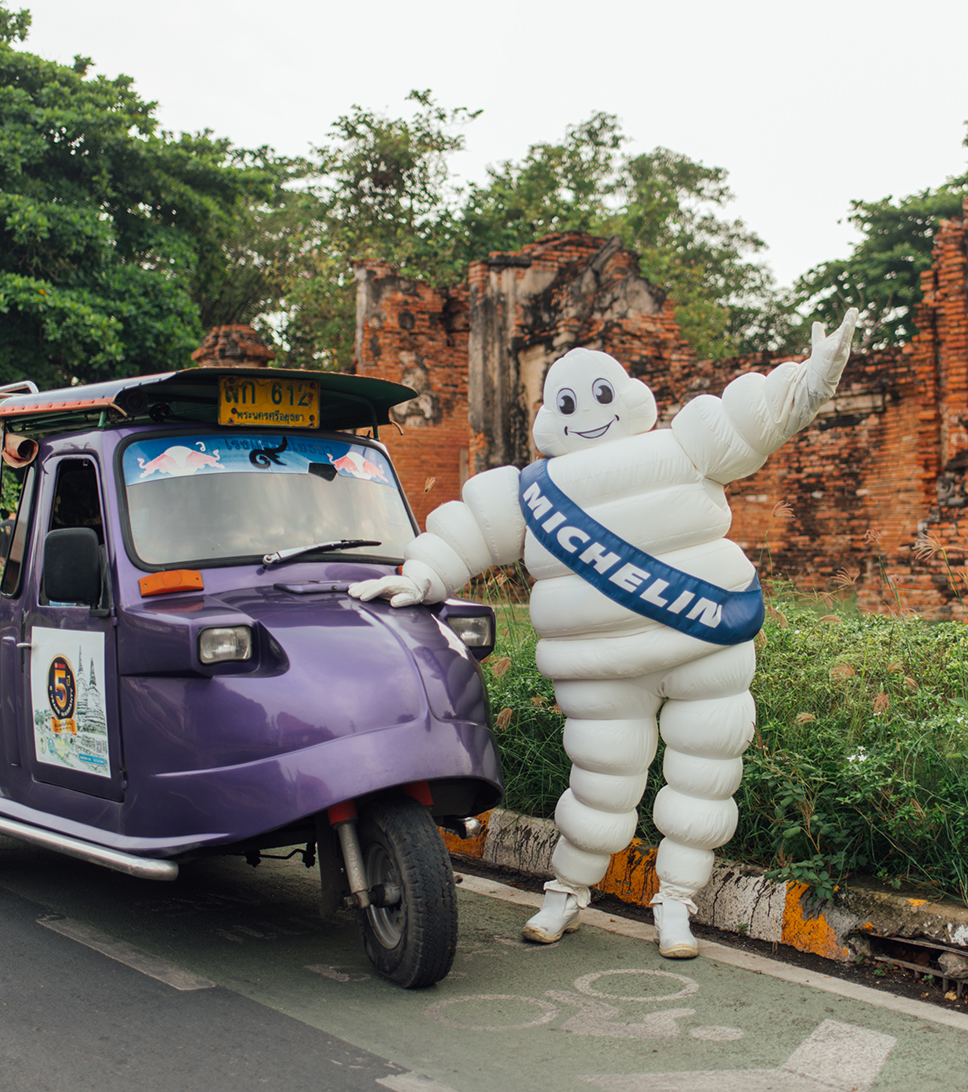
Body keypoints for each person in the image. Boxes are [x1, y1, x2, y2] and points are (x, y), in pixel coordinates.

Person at [350, 309, 857, 958]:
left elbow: (750, 416)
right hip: (602, 668)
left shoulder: (683, 446)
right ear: (547, 416)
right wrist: (421, 576)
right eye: (568, 400)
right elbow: (468, 531)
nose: (588, 409)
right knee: (598, 783)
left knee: (704, 780)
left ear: (631, 398)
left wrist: (814, 377)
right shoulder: (529, 493)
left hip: (706, 645)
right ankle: (566, 890)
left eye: (601, 393)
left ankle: (676, 902)